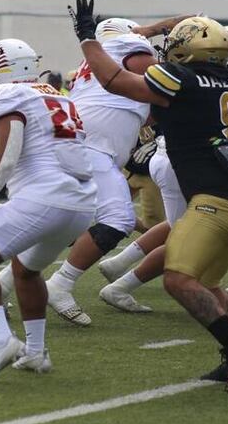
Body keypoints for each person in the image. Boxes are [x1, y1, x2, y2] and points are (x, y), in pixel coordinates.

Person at [71, 2, 228, 392]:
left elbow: (115, 80)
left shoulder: (181, 78)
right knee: (209, 283)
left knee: (177, 279)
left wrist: (88, 38)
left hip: (213, 201)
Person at [0, 38, 97, 382]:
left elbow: (6, 159)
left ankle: (1, 340)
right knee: (26, 271)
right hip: (81, 202)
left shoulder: (7, 95)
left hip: (43, 196)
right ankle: (35, 352)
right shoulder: (58, 95)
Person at [43, 17, 158, 326]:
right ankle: (61, 283)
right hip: (94, 150)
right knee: (118, 219)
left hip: (79, 144)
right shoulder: (130, 50)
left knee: (60, 221)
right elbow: (160, 87)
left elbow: (139, 112)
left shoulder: (95, 62)